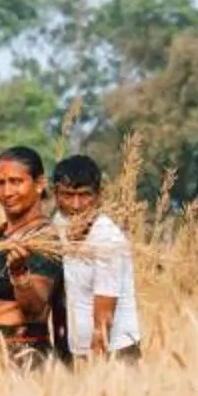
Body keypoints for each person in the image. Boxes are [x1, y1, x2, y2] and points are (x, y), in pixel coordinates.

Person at [0, 146, 69, 366]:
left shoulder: (43, 239)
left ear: (39, 184)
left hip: (21, 360)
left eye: (16, 182)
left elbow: (35, 310)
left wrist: (19, 273)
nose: (7, 192)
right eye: (0, 183)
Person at [50, 154, 142, 362]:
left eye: (84, 195)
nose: (75, 205)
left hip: (115, 352)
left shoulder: (107, 238)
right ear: (55, 194)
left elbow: (104, 319)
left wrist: (95, 367)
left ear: (99, 196)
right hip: (78, 350)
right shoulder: (58, 224)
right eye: (67, 195)